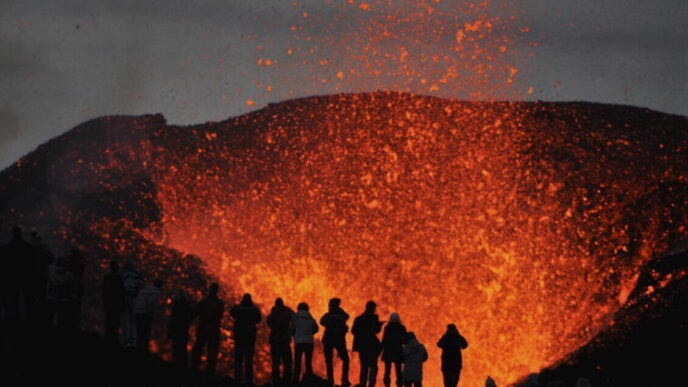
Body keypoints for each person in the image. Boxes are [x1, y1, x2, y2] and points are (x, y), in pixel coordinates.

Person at [190, 283, 224, 372]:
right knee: (212, 351)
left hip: (204, 328)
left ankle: (195, 367)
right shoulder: (220, 303)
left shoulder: (204, 302)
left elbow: (194, 313)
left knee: (199, 348)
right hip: (214, 329)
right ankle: (210, 371)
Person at [0, 226, 31, 323]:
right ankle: (27, 319)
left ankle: (15, 320)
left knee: (14, 299)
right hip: (24, 276)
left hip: (12, 277)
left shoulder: (7, 247)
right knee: (26, 299)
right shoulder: (26, 246)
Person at [230, 293, 261, 386]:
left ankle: (237, 380)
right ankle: (248, 381)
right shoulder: (254, 310)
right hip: (249, 339)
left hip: (239, 338)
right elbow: (258, 319)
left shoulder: (238, 308)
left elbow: (231, 312)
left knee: (238, 361)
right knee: (249, 361)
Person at [320, 297, 351, 387]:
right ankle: (344, 379)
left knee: (329, 361)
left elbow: (322, 321)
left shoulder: (329, 315)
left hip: (330, 340)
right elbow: (346, 317)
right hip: (338, 340)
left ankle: (331, 380)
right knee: (345, 359)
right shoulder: (340, 315)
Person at [352, 300, 383, 387]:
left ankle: (362, 384)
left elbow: (353, 331)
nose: (375, 310)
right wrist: (380, 325)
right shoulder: (374, 317)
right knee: (373, 366)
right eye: (374, 308)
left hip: (362, 347)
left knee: (364, 367)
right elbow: (377, 330)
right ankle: (371, 384)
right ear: (372, 308)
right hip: (372, 346)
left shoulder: (359, 318)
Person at [26, 230, 53, 323]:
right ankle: (42, 319)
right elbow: (51, 259)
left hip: (30, 276)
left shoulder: (27, 247)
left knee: (31, 298)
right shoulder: (44, 247)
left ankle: (31, 319)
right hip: (42, 275)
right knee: (42, 297)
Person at [267, 297, 295, 385]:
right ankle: (287, 380)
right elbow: (294, 316)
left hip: (274, 341)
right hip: (284, 341)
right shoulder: (286, 313)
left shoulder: (271, 315)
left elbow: (269, 324)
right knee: (287, 362)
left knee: (275, 362)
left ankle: (276, 381)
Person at [134, 278, 163, 353]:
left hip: (137, 311)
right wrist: (150, 315)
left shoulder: (146, 289)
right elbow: (151, 303)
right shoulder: (156, 292)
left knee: (139, 332)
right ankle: (143, 351)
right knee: (145, 333)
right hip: (144, 313)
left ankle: (138, 349)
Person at [46, 256, 77, 328]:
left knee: (57, 318)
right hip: (63, 300)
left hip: (54, 299)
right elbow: (71, 288)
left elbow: (49, 289)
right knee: (63, 319)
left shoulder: (52, 275)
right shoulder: (69, 275)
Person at [292, 302, 319, 383]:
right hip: (309, 342)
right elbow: (316, 329)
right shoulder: (311, 318)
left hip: (299, 342)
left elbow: (291, 330)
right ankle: (309, 380)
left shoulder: (295, 318)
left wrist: (296, 334)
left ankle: (296, 380)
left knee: (297, 362)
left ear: (298, 309)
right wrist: (310, 334)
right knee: (308, 362)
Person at [169, 289, 194, 368]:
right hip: (184, 329)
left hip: (177, 328)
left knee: (176, 346)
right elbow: (191, 317)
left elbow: (173, 319)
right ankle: (183, 365)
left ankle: (176, 364)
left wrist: (169, 331)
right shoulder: (188, 305)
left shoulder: (176, 305)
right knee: (183, 347)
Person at [102, 260, 125, 344]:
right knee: (115, 322)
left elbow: (103, 292)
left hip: (109, 303)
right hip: (116, 304)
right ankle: (114, 340)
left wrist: (105, 302)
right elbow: (122, 293)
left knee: (109, 321)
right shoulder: (119, 279)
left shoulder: (107, 278)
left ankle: (108, 338)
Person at [63, 246, 87, 328]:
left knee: (69, 303)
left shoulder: (67, 260)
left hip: (69, 284)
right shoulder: (81, 260)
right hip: (79, 284)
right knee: (77, 305)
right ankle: (76, 324)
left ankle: (69, 323)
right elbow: (85, 263)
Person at [382, 313, 407, 387]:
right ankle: (399, 384)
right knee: (398, 371)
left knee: (387, 371)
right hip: (398, 351)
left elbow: (384, 340)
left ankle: (387, 384)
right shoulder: (402, 327)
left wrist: (379, 351)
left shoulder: (387, 328)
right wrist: (400, 342)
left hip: (388, 351)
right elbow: (406, 340)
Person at [120, 260, 143, 346]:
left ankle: (126, 340)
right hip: (135, 299)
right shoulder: (137, 275)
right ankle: (133, 341)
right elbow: (141, 287)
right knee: (133, 320)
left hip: (125, 298)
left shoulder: (122, 274)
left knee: (125, 319)